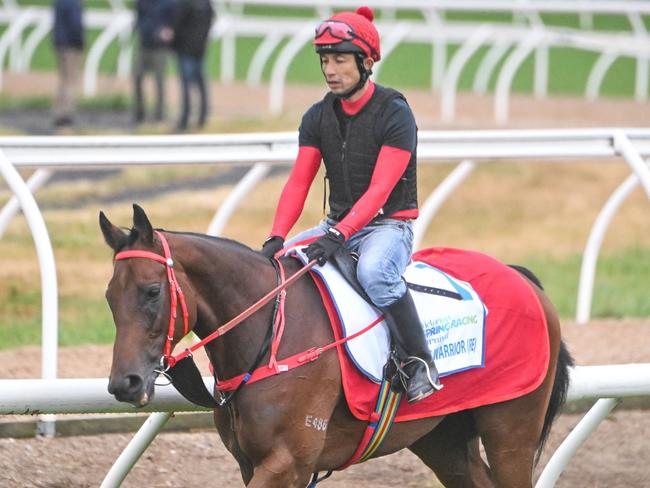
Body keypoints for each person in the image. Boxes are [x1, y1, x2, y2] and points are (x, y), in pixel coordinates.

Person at [260, 6, 441, 403]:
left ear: (366, 61)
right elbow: (298, 182)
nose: (330, 69)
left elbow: (380, 190)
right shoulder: (316, 117)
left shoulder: (396, 113)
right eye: (325, 60)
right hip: (337, 226)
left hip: (388, 227)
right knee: (277, 267)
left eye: (340, 59)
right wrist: (277, 235)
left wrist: (340, 234)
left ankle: (419, 361)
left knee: (376, 273)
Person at [170, 0, 214, 131]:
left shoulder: (185, 4)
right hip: (199, 49)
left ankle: (185, 120)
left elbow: (176, 24)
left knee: (186, 87)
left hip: (186, 50)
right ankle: (202, 117)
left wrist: (173, 45)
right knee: (201, 84)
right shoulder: (206, 4)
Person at [132, 0, 176, 124]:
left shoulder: (169, 3)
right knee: (137, 77)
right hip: (143, 46)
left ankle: (159, 114)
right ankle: (139, 113)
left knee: (159, 81)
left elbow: (175, 20)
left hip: (159, 48)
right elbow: (139, 17)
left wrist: (169, 32)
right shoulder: (141, 2)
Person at [52, 0, 84, 128]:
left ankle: (58, 112)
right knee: (71, 80)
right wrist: (80, 44)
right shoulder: (74, 3)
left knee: (63, 80)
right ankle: (67, 115)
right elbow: (75, 25)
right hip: (71, 46)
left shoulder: (59, 2)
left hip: (60, 45)